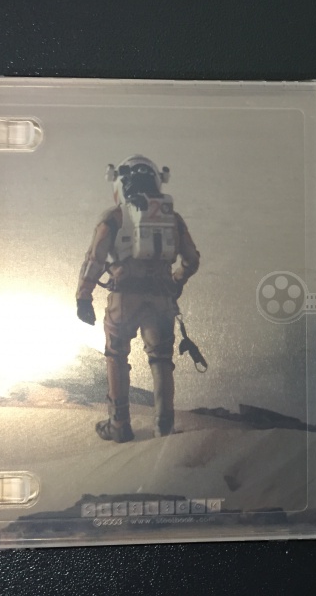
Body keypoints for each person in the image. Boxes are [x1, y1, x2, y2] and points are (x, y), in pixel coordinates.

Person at [76, 155, 200, 443]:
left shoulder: (115, 218)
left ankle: (119, 424)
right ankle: (164, 428)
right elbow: (192, 260)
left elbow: (94, 260)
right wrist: (175, 282)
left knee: (116, 355)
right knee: (161, 360)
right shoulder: (173, 219)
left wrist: (84, 296)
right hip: (161, 300)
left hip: (123, 300)